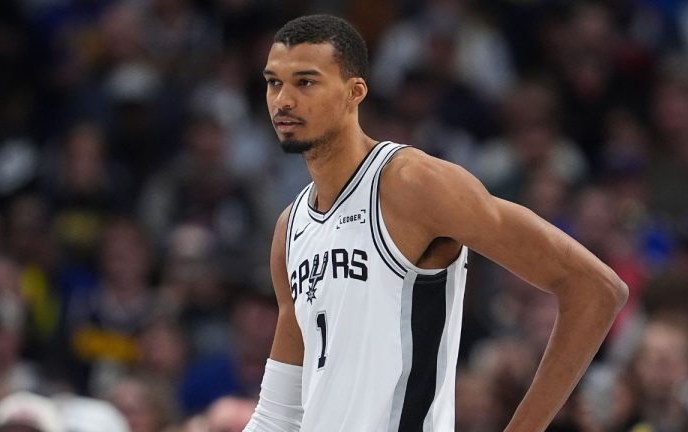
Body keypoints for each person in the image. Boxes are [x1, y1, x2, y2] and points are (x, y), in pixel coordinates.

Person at [244, 14, 628, 432]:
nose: (282, 100)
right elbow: (277, 416)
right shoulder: (291, 228)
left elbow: (596, 289)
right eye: (273, 82)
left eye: (305, 82)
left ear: (354, 92)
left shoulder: (413, 184)